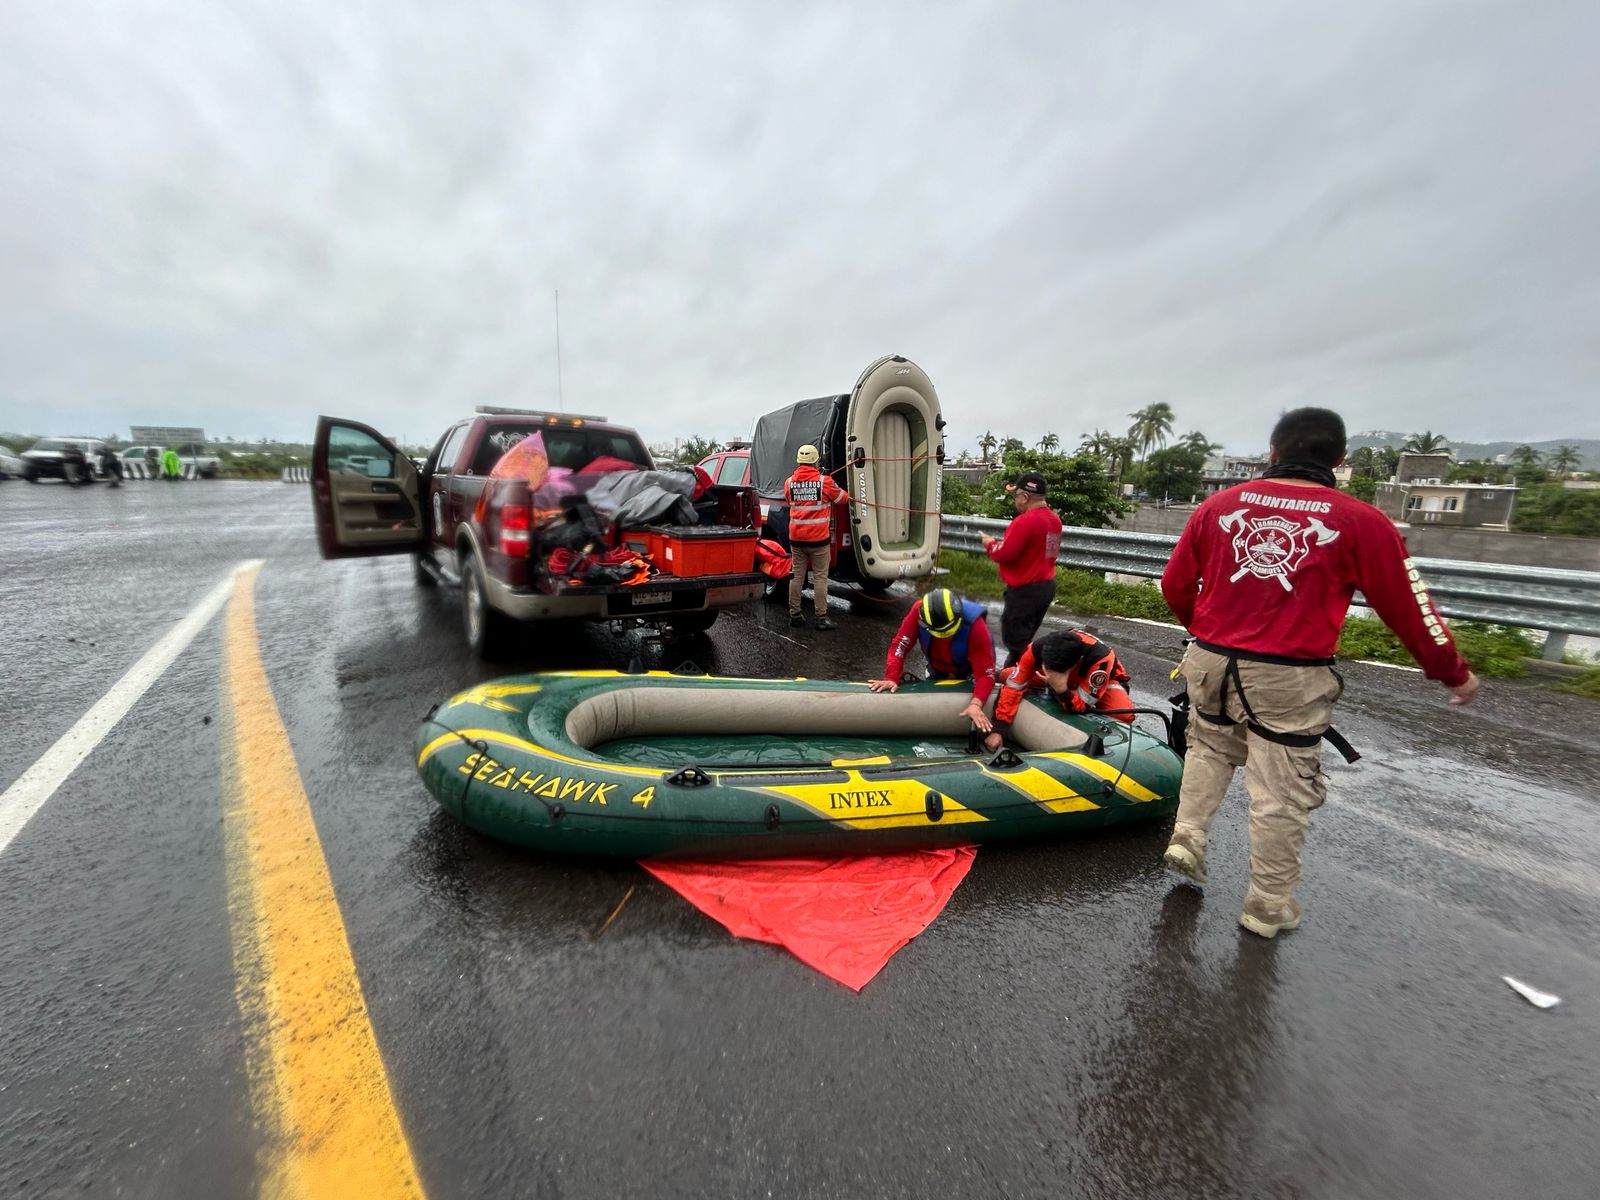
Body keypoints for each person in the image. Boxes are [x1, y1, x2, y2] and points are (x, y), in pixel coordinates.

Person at [1159, 406, 1479, 939]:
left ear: (1272, 453)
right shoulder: (1359, 521)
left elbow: (1175, 584)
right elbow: (1409, 608)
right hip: (1288, 674)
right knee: (1280, 788)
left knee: (1210, 747)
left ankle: (1188, 834)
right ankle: (1268, 903)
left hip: (1208, 658)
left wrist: (1208, 634)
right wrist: (1452, 672)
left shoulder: (1217, 506)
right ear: (1339, 458)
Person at [868, 588, 997, 737]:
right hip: (937, 663)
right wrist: (891, 677)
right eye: (941, 635)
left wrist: (976, 704)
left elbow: (986, 675)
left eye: (949, 633)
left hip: (968, 666)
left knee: (980, 689)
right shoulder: (918, 611)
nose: (945, 638)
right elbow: (900, 645)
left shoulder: (976, 627)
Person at [990, 630, 1133, 750]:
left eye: (1055, 671)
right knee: (1006, 676)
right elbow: (1013, 687)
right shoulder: (1036, 648)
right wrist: (998, 729)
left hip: (1095, 680)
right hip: (1048, 675)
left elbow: (1081, 705)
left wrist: (1061, 689)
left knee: (1123, 715)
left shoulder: (1101, 659)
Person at [981, 470, 1063, 666]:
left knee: (1015, 641)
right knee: (1023, 641)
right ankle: (1015, 675)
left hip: (1025, 591)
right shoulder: (1054, 520)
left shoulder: (1025, 521)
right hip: (1044, 588)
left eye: (1016, 495)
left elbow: (1005, 553)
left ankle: (1026, 681)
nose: (1015, 500)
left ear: (1025, 496)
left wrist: (990, 543)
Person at [784, 443, 847, 630]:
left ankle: (795, 615)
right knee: (820, 578)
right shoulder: (825, 482)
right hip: (819, 541)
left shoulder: (789, 483)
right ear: (816, 461)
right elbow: (842, 499)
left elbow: (789, 501)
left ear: (798, 461)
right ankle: (821, 618)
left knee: (796, 576)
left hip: (796, 539)